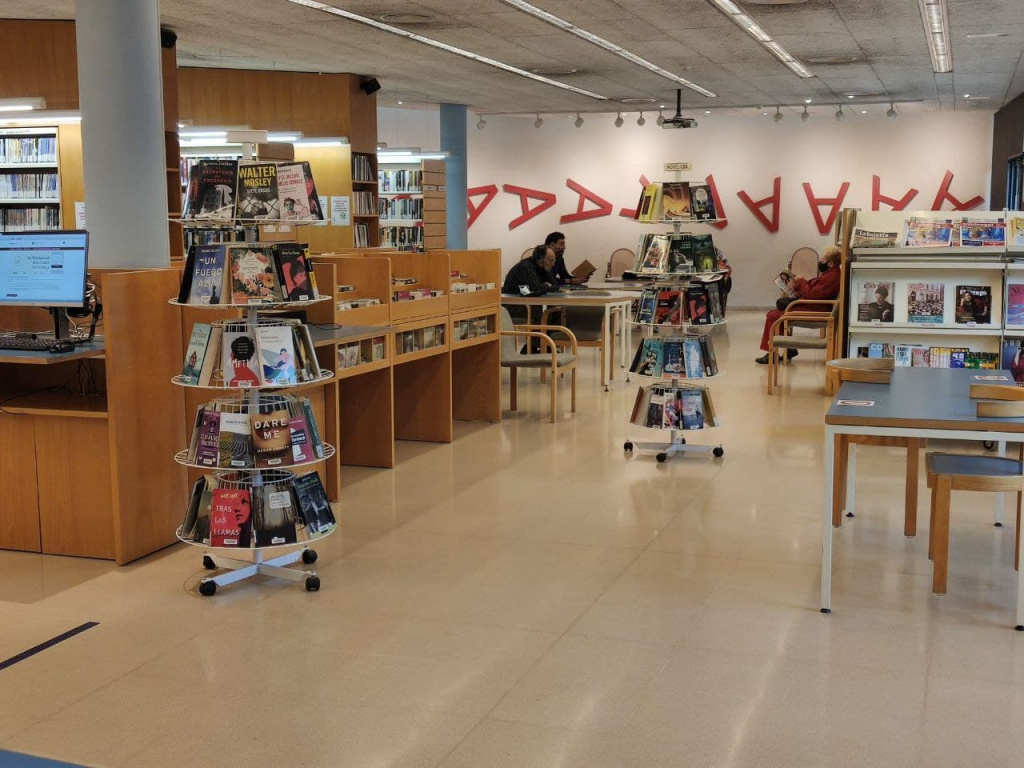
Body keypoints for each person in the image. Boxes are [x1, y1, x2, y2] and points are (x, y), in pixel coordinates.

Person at [755, 245, 842, 364]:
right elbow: (815, 291)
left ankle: (772, 354)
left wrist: (800, 282)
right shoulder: (832, 274)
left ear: (831, 263)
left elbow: (812, 294)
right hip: (813, 306)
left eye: (822, 260)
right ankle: (787, 349)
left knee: (773, 316)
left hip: (816, 310)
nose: (820, 263)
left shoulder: (832, 277)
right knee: (776, 314)